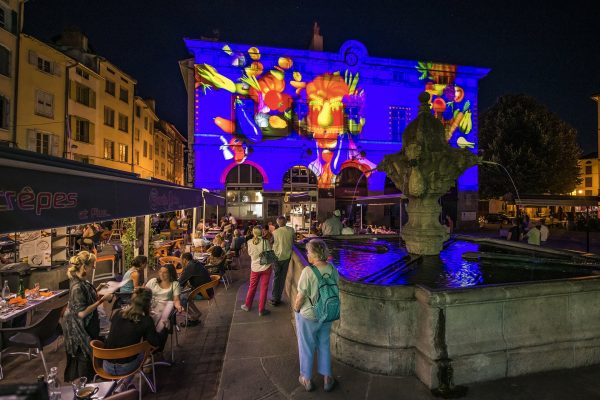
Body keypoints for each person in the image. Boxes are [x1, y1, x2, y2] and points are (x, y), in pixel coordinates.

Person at [293, 239, 338, 392]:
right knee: (324, 344)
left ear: (314, 254)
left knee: (306, 346)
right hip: (326, 313)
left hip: (309, 315)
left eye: (308, 252)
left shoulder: (308, 271)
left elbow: (300, 297)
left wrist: (296, 309)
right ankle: (327, 378)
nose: (307, 254)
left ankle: (306, 378)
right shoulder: (332, 269)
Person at [63, 251, 112, 382]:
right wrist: (102, 300)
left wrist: (97, 288)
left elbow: (85, 299)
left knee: (90, 355)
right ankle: (86, 385)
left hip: (88, 323)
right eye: (92, 265)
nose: (94, 267)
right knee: (84, 356)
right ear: (84, 267)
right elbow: (82, 313)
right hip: (80, 328)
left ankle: (92, 381)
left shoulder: (80, 280)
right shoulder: (77, 287)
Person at [103, 288, 160, 375]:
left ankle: (124, 383)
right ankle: (126, 383)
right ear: (148, 303)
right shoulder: (146, 320)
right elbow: (155, 343)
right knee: (146, 352)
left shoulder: (118, 313)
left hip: (107, 366)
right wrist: (165, 327)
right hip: (126, 367)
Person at [241, 227, 273, 316]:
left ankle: (247, 305)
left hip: (255, 268)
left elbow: (250, 254)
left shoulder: (249, 242)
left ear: (253, 232)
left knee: (252, 287)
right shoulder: (265, 241)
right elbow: (270, 252)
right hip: (266, 267)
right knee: (264, 289)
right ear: (261, 232)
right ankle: (261, 310)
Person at [179, 253, 212, 327]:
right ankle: (196, 313)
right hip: (208, 290)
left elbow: (180, 283)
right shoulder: (196, 263)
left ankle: (192, 316)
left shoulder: (189, 267)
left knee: (180, 298)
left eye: (180, 260)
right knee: (184, 294)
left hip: (203, 293)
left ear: (184, 260)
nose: (180, 262)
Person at [271, 216, 295, 307]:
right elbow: (293, 241)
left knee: (276, 277)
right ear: (285, 222)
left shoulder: (275, 232)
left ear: (278, 223)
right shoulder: (291, 230)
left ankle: (274, 298)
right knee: (282, 278)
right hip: (287, 257)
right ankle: (278, 298)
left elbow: (271, 242)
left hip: (276, 258)